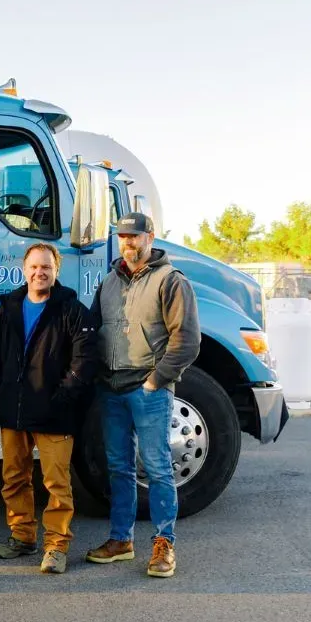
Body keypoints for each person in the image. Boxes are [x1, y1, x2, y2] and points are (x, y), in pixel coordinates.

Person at [85, 212, 200, 578]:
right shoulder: (109, 282)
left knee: (157, 468)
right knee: (118, 468)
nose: (128, 243)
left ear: (150, 237)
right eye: (122, 237)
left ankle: (164, 544)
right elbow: (94, 329)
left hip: (148, 389)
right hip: (112, 388)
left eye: (134, 236)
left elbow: (187, 340)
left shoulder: (171, 281)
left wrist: (157, 380)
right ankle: (121, 540)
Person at [0, 243, 96, 574]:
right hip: (14, 409)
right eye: (34, 267)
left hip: (54, 412)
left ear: (56, 270)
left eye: (46, 267)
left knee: (56, 483)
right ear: (24, 269)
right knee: (14, 477)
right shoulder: (10, 307)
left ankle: (56, 546)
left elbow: (85, 360)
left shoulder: (71, 309)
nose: (39, 272)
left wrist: (64, 397)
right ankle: (22, 537)